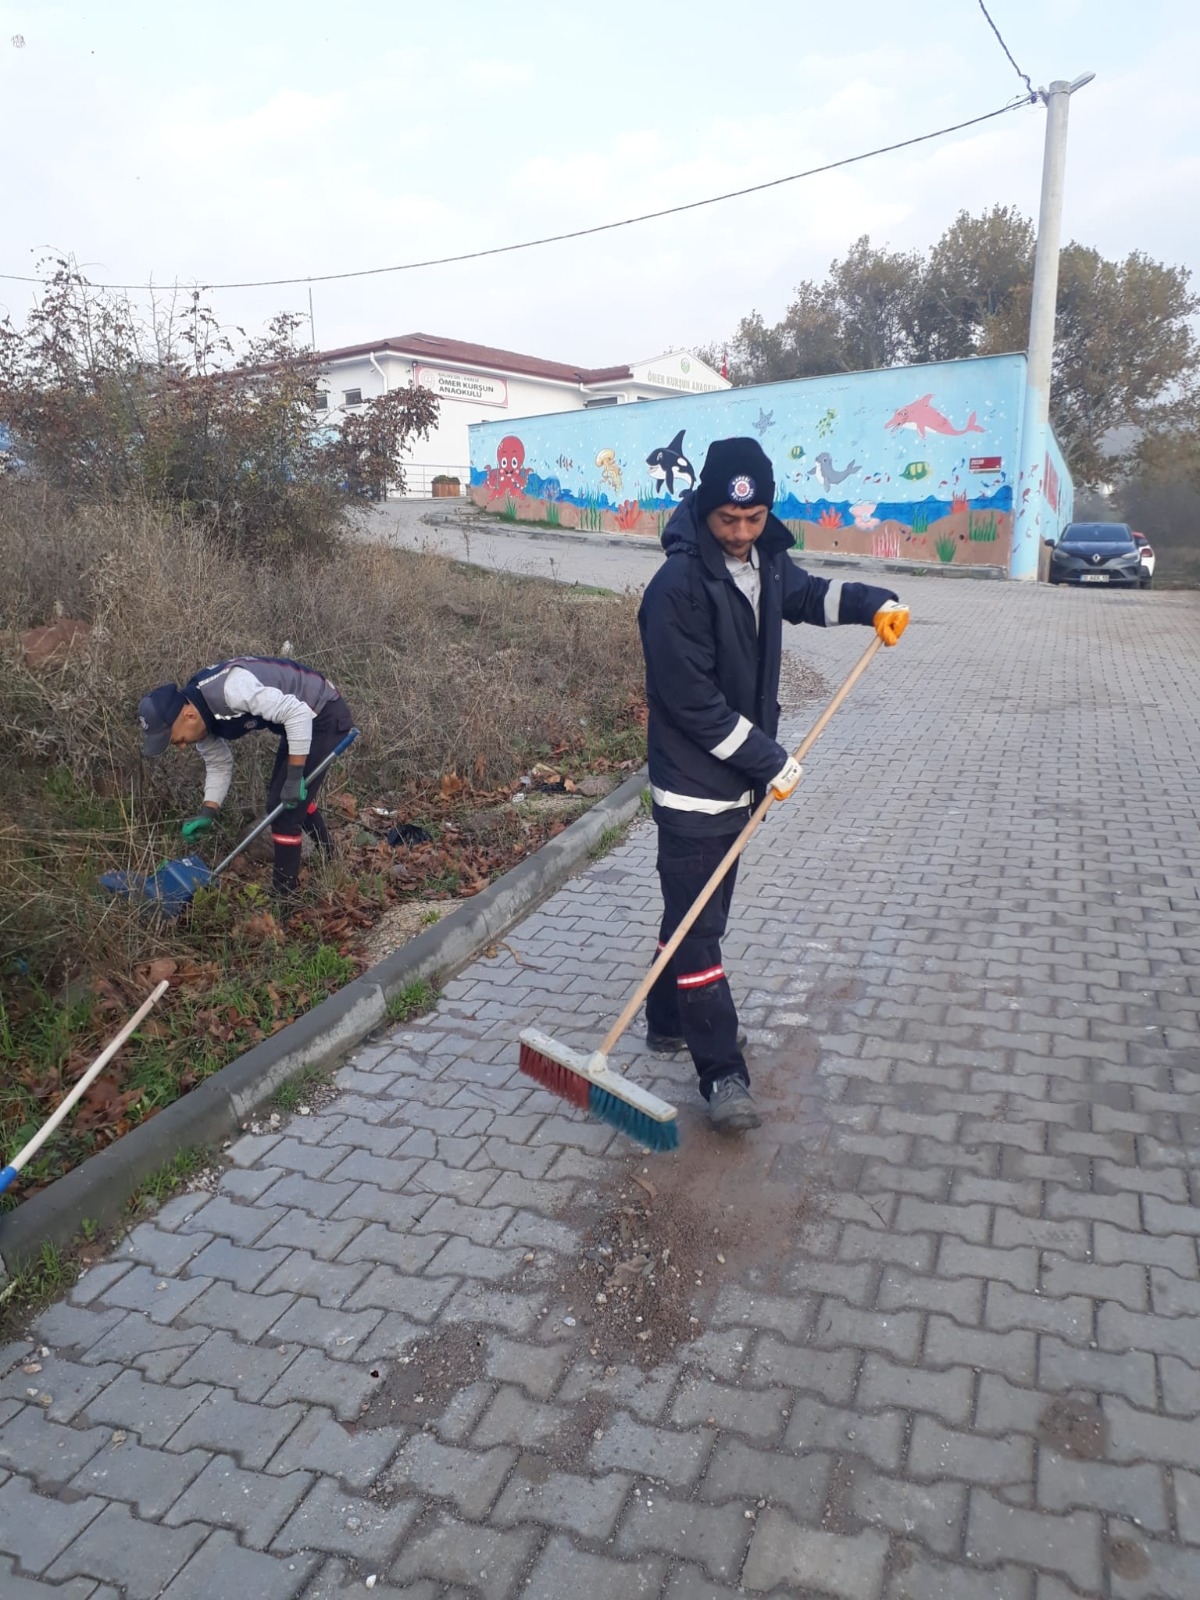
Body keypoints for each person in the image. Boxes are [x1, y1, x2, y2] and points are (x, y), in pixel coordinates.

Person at [637, 438, 909, 1132]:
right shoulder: (675, 589)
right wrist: (768, 759)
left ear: (766, 510)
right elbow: (692, 704)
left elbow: (811, 598)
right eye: (728, 522)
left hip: (738, 785)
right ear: (703, 507)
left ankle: (667, 1020)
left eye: (753, 519)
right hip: (694, 788)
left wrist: (876, 602)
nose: (739, 534)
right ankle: (721, 1073)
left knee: (695, 909)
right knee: (702, 934)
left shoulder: (768, 560)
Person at [137, 656, 353, 900]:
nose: (182, 747)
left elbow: (297, 714)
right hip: (297, 721)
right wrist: (208, 811)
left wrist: (294, 777)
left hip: (322, 712)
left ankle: (285, 902)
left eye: (177, 740)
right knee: (282, 800)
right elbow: (219, 762)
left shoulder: (232, 689)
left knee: (284, 812)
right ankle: (329, 856)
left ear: (188, 716)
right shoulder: (200, 717)